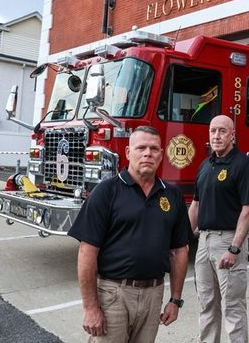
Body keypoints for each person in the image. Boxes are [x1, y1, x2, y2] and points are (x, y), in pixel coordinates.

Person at [68, 125, 192, 343]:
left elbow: (179, 251)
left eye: (154, 149)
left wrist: (175, 299)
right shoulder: (106, 192)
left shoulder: (172, 196)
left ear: (161, 155)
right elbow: (87, 252)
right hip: (114, 294)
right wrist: (90, 307)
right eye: (141, 147)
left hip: (154, 295)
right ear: (127, 153)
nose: (147, 154)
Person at [189, 115, 249, 343]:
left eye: (222, 131)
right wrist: (182, 240)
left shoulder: (242, 165)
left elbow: (248, 209)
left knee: (233, 306)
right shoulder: (205, 165)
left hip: (227, 241)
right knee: (207, 302)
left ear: (232, 135)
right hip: (204, 241)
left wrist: (234, 248)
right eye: (213, 131)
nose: (216, 136)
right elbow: (196, 205)